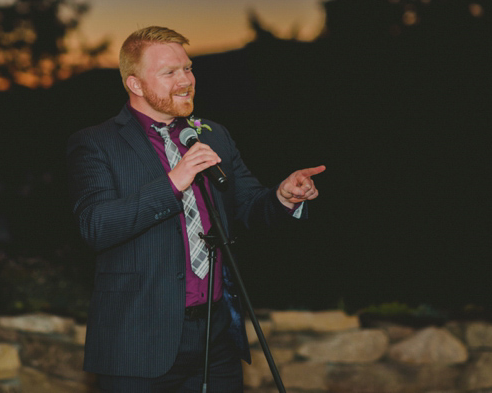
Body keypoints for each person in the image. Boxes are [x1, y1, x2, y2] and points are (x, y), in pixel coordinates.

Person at [66, 26, 323, 391]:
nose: (185, 80)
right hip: (137, 340)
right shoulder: (97, 143)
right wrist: (173, 182)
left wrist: (283, 197)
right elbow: (95, 226)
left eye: (187, 68)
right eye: (169, 73)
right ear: (136, 85)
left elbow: (249, 206)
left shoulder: (212, 134)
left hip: (215, 338)